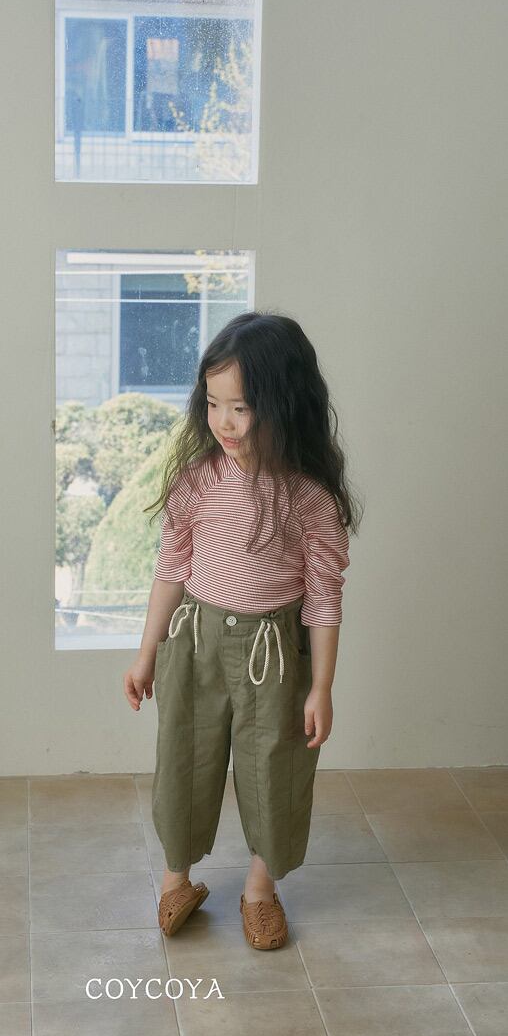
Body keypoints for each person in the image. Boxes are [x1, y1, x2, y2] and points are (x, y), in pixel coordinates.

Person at [123, 311, 363, 950]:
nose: (224, 422)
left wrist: (322, 687)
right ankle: (177, 880)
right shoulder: (197, 481)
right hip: (193, 643)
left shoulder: (307, 497)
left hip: (273, 654)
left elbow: (324, 598)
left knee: (274, 769)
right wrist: (146, 654)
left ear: (283, 405)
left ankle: (260, 889)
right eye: (213, 404)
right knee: (185, 757)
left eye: (241, 407)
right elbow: (172, 566)